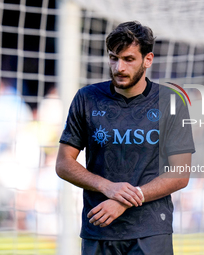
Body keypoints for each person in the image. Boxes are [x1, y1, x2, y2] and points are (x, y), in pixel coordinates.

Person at [56, 21, 195, 255]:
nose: (119, 67)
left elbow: (180, 174)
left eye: (128, 59)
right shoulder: (87, 98)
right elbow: (63, 163)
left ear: (147, 59)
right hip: (98, 226)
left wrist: (124, 199)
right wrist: (106, 186)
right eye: (113, 58)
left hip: (151, 230)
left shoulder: (171, 102)